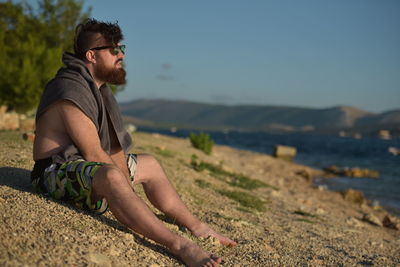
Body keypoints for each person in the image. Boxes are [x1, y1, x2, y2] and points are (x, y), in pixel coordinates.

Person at [30, 18, 236, 267]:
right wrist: (125, 192)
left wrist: (126, 189)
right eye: (114, 49)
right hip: (53, 172)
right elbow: (95, 154)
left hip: (83, 167)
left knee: (149, 164)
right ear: (91, 56)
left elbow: (114, 149)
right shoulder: (69, 89)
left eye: (122, 49)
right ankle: (180, 246)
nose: (122, 56)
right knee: (111, 176)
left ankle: (196, 226)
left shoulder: (99, 90)